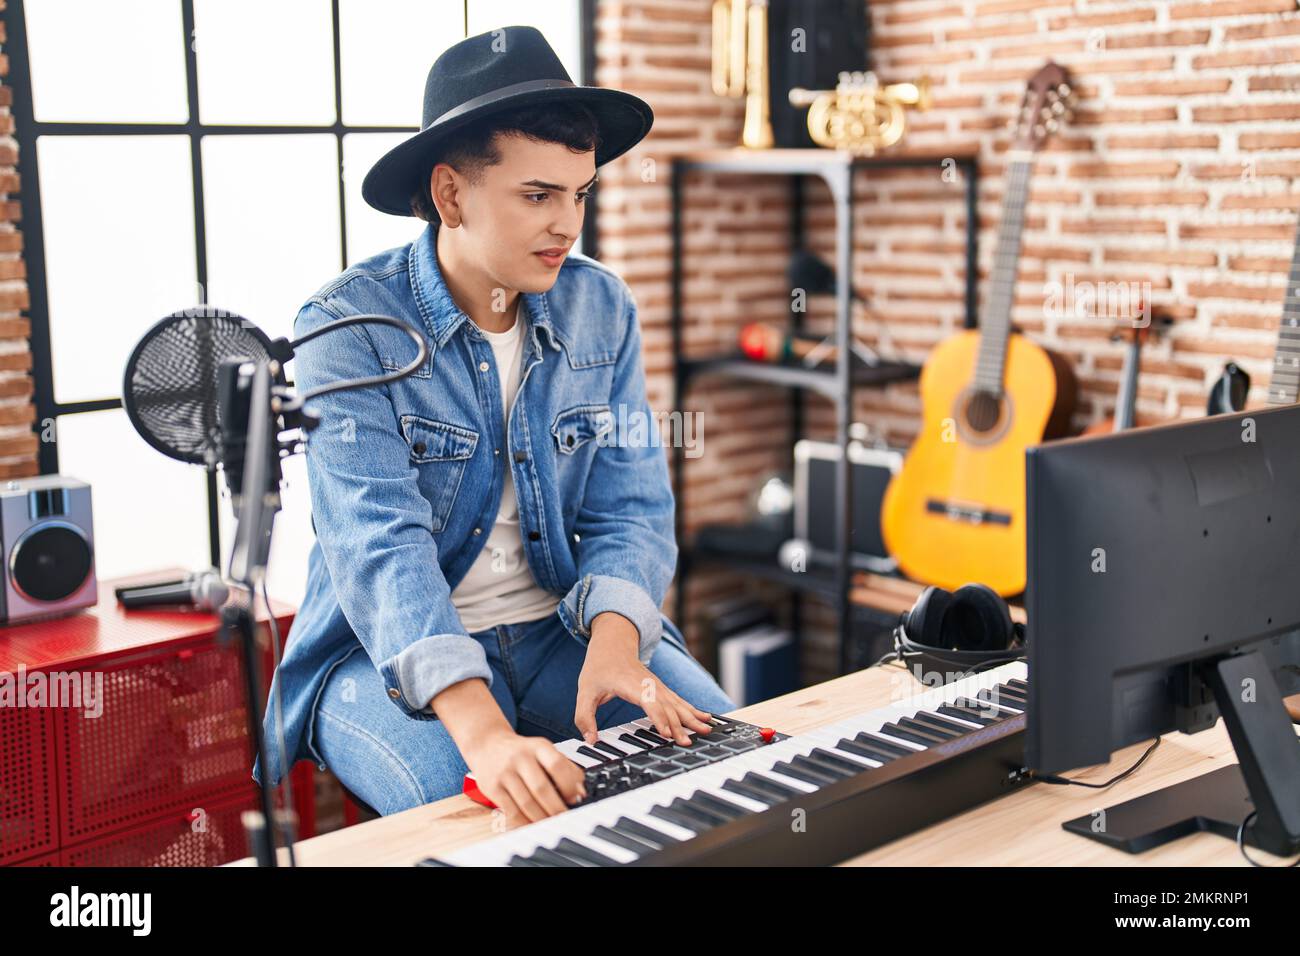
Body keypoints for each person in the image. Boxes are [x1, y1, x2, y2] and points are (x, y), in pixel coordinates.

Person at [252, 26, 736, 827]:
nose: (569, 224)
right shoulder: (346, 328)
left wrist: (616, 648)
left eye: (580, 194)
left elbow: (631, 508)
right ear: (450, 195)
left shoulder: (601, 308)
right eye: (538, 195)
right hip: (379, 660)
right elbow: (379, 549)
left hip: (559, 629)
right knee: (496, 827)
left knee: (727, 774)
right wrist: (484, 735)